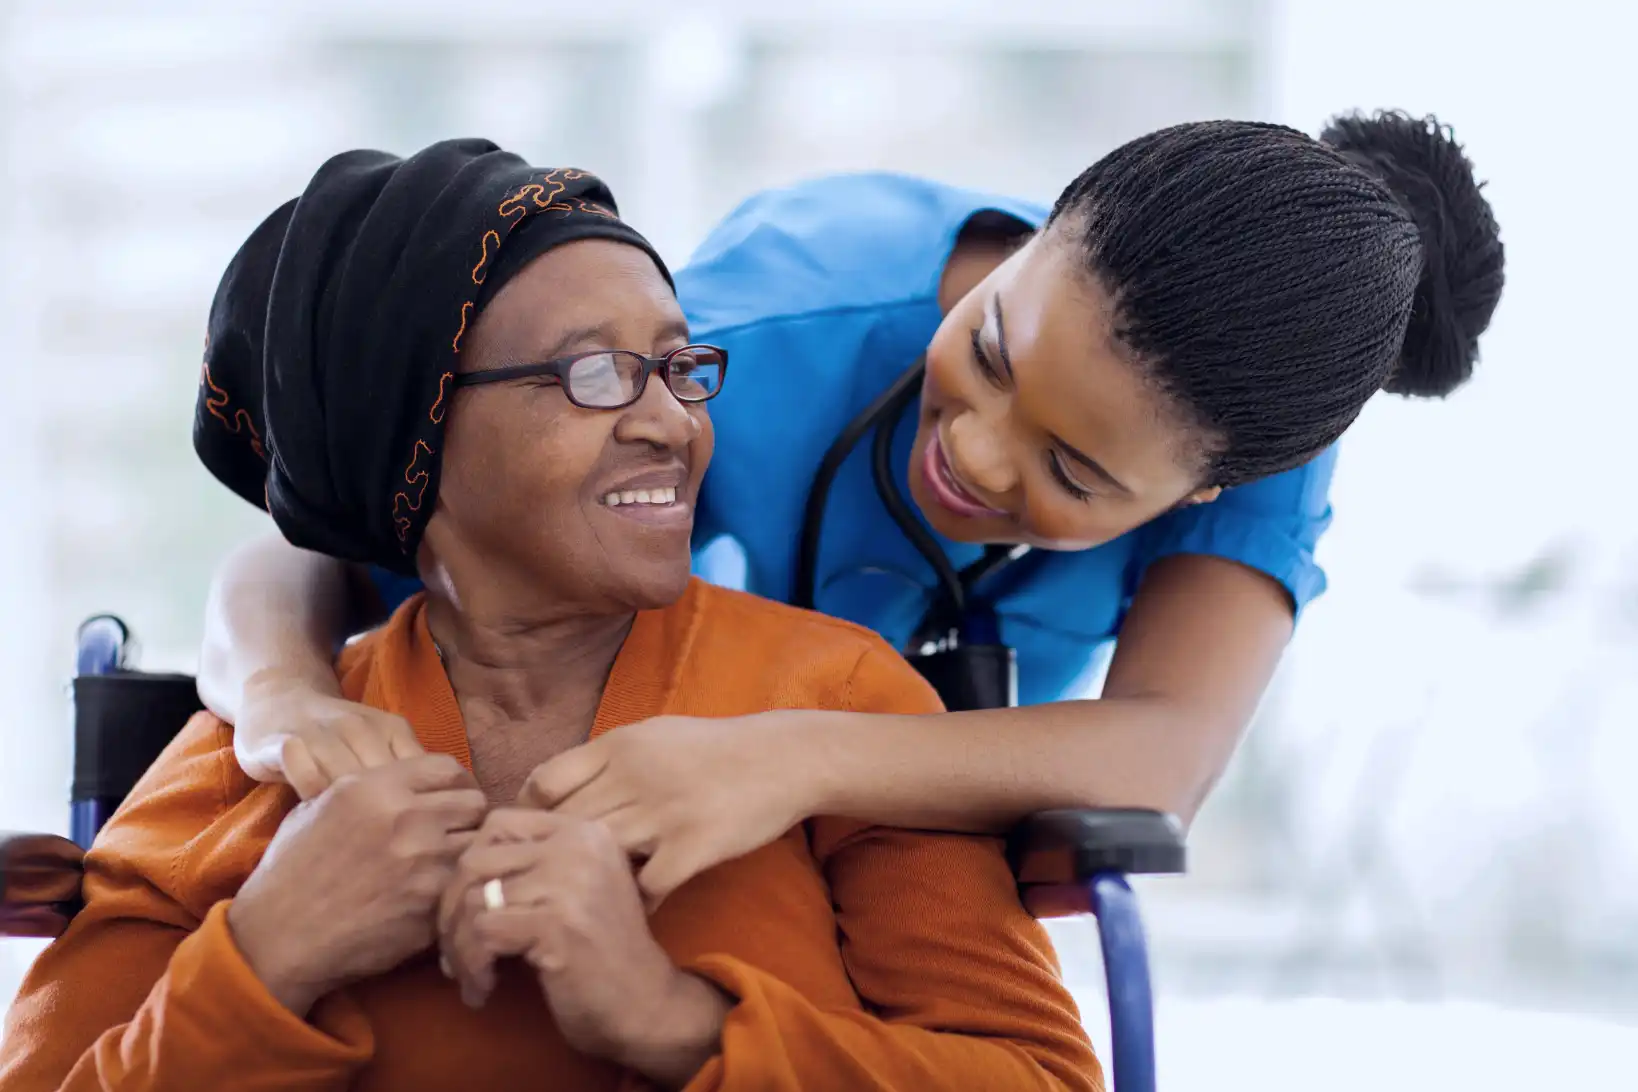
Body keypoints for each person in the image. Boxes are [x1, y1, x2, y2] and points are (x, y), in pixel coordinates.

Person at [0, 141, 1100, 1092]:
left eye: (678, 366)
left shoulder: (839, 700)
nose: (672, 422)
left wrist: (668, 1021)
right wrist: (269, 956)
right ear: (414, 440)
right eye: (595, 375)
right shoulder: (261, 754)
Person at [199, 111, 1506, 906]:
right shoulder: (762, 332)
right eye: (988, 351)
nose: (980, 461)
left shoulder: (1250, 432)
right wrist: (283, 699)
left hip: (849, 902)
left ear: (1206, 489)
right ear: (1039, 235)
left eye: (1074, 475)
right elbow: (301, 552)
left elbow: (1160, 758)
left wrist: (788, 756)